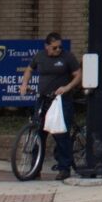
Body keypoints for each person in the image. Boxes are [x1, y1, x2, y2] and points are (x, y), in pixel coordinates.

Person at [18, 32, 83, 180]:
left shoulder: (67, 57)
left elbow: (78, 74)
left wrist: (67, 87)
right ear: (47, 47)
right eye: (54, 48)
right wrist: (24, 84)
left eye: (60, 47)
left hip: (60, 100)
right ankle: (35, 168)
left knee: (60, 133)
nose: (58, 50)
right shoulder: (40, 56)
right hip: (43, 98)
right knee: (38, 132)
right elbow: (29, 69)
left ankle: (64, 168)